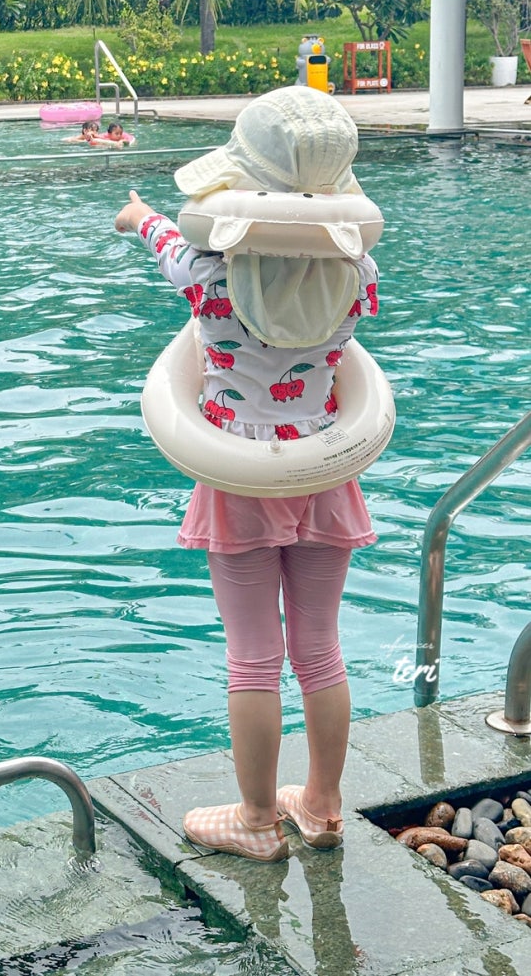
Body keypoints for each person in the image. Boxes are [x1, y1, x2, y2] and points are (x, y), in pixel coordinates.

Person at [114, 86, 380, 864]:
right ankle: (322, 806)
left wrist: (136, 215)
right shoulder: (356, 269)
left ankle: (258, 819)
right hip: (326, 467)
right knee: (320, 647)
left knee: (253, 656)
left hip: (237, 478)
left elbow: (165, 237)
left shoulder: (206, 274)